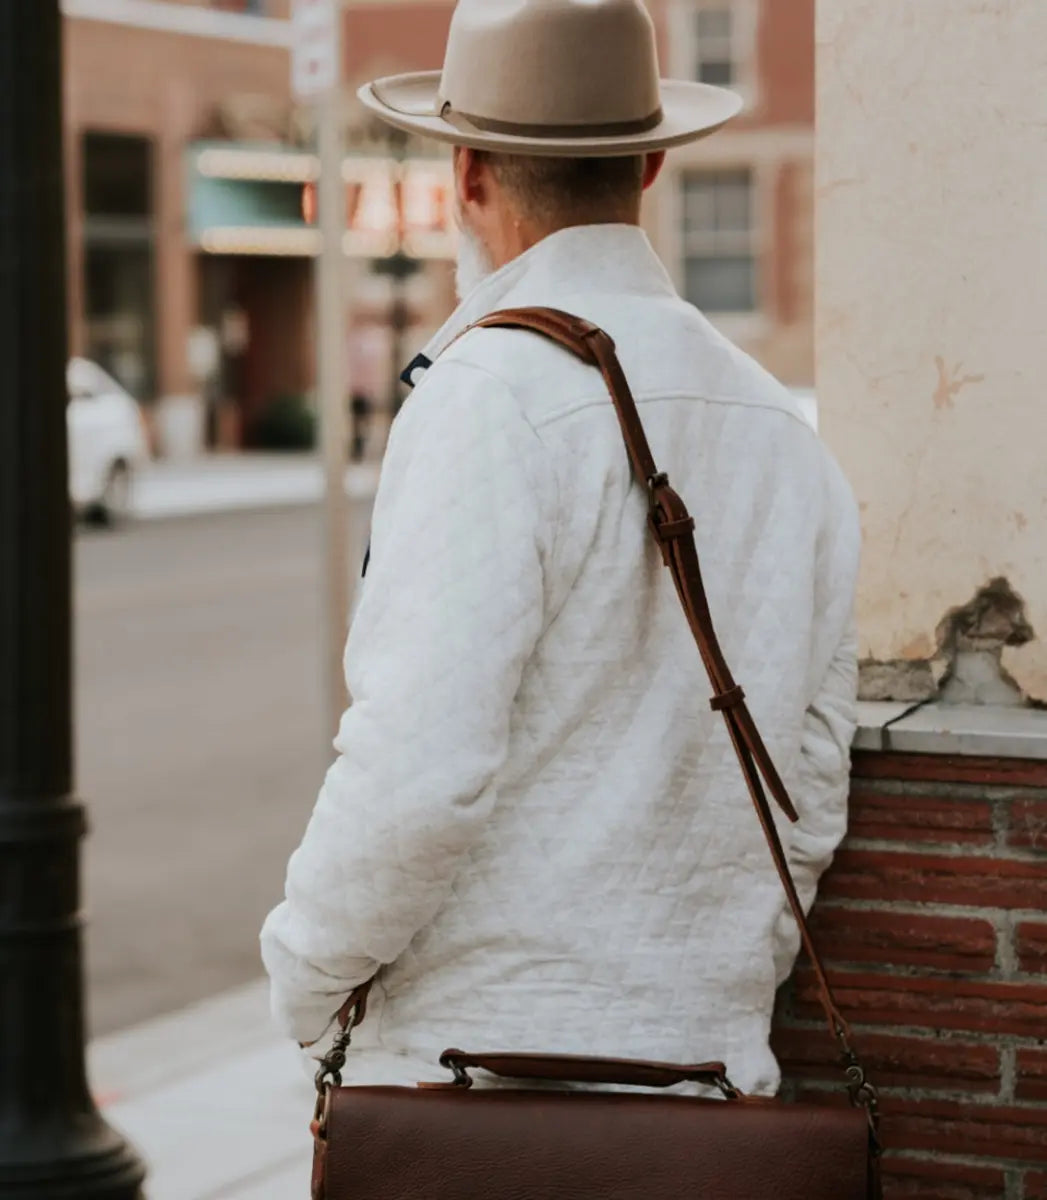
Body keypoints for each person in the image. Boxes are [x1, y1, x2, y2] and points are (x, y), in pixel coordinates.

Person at [261, 0, 860, 1098]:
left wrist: (303, 975)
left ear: (470, 172)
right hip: (709, 1091)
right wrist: (714, 980)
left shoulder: (482, 399)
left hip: (479, 1084)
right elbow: (811, 786)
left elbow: (417, 772)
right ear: (647, 170)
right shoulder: (786, 429)